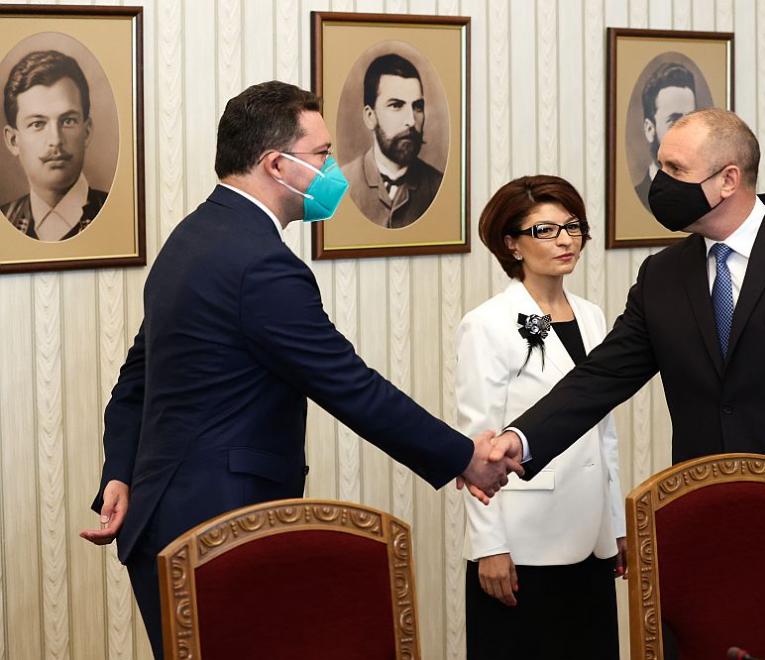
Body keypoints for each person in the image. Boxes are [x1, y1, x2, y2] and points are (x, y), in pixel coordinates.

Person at [78, 81, 519, 660]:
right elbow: (349, 385)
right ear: (275, 164)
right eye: (322, 154)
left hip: (166, 519)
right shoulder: (260, 264)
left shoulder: (191, 238)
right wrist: (464, 457)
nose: (333, 169)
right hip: (220, 534)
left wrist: (121, 471)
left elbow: (134, 382)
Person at [490, 108, 765, 658]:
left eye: (675, 170)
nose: (659, 183)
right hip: (706, 540)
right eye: (660, 166)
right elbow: (601, 377)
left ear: (728, 179)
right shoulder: (662, 274)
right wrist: (518, 440)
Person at [457, 176, 626, 660]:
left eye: (573, 227)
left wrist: (615, 522)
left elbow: (604, 433)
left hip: (590, 534)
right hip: (523, 542)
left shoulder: (592, 316)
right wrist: (489, 546)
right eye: (545, 231)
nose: (566, 240)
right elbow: (477, 443)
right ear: (512, 244)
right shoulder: (487, 323)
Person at [2, 50, 106, 241]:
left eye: (68, 121)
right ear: (13, 141)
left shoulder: (117, 214)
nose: (56, 140)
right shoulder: (5, 220)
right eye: (37, 124)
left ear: (87, 131)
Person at [341, 53, 443, 228]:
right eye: (396, 105)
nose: (411, 121)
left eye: (417, 107)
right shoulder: (342, 184)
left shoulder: (437, 186)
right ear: (370, 117)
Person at [633, 62, 697, 209]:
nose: (687, 132)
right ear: (650, 129)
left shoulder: (707, 197)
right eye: (674, 121)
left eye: (691, 120)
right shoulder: (640, 195)